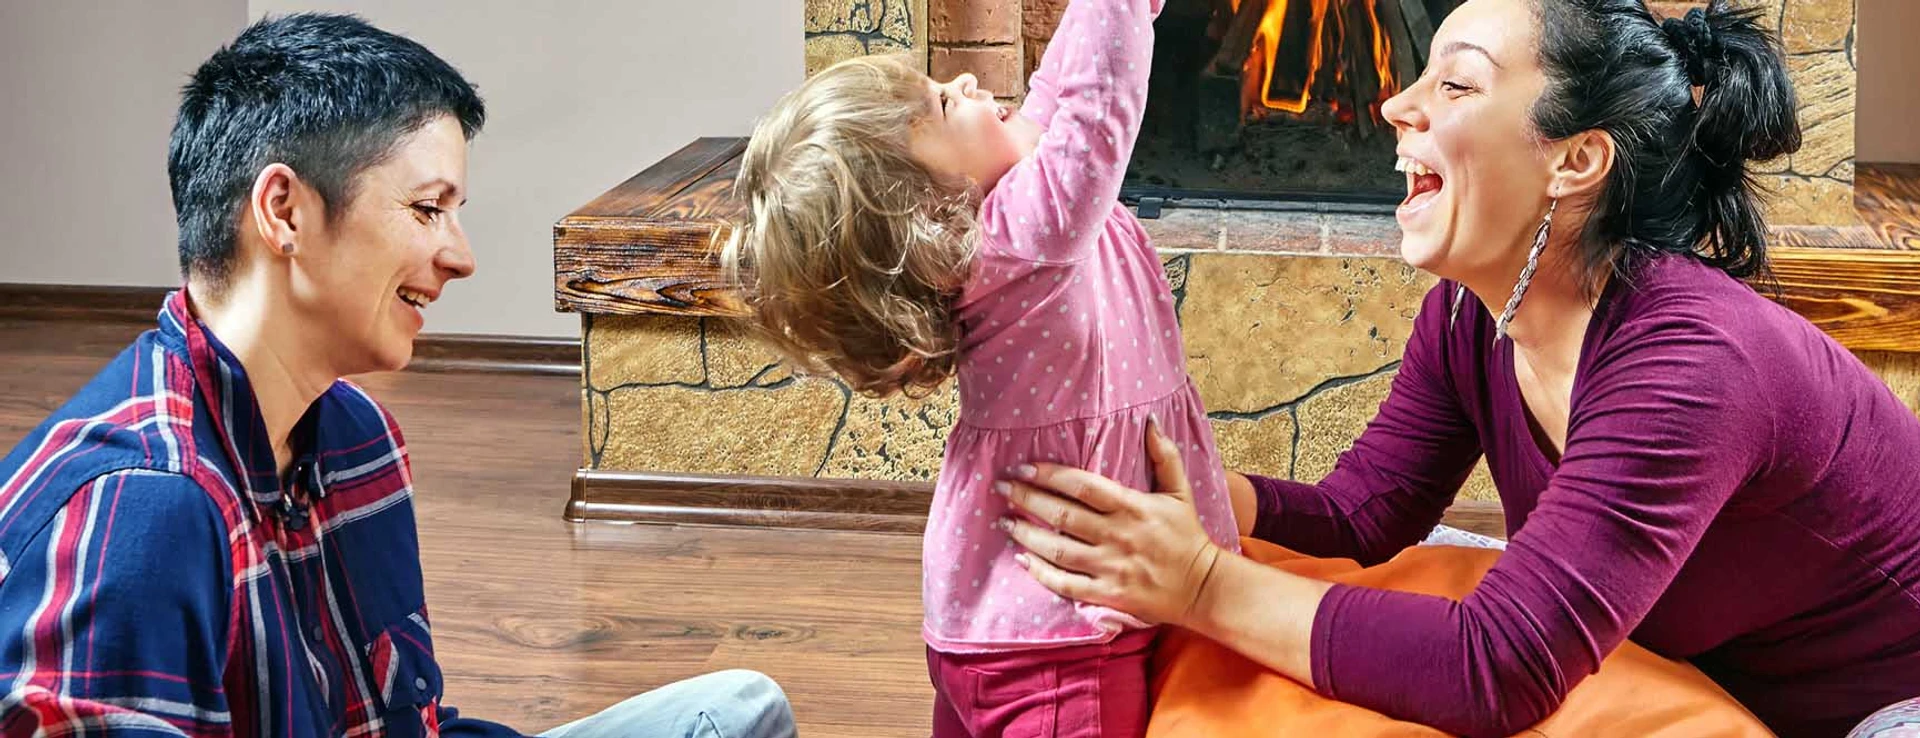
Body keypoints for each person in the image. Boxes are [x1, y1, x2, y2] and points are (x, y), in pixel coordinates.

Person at [993, 0, 1920, 736]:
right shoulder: (1477, 314)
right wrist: (1204, 494)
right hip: (1692, 665)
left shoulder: (1693, 365)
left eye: (1457, 84)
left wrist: (1199, 584)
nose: (1397, 105)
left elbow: (1499, 666)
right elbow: (1365, 517)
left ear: (1577, 159)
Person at [0, 14, 794, 738]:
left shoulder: (358, 437)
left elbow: (411, 721)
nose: (461, 256)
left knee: (738, 710)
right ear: (284, 211)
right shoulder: (141, 510)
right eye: (427, 209)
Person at [719, 0, 1269, 733]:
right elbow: (1098, 107)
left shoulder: (1003, 225)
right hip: (1059, 647)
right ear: (929, 211)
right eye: (946, 105)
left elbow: (1060, 88)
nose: (969, 81)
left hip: (992, 625)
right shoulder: (1023, 238)